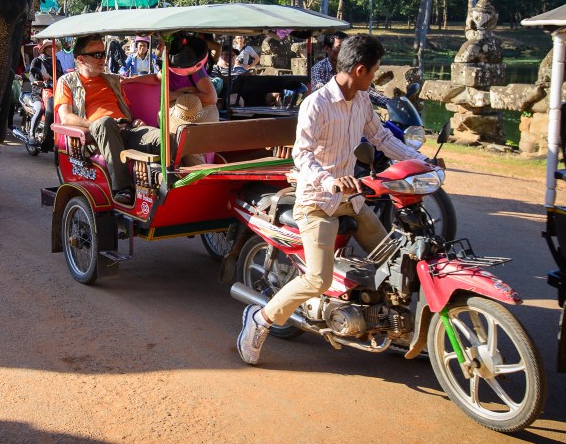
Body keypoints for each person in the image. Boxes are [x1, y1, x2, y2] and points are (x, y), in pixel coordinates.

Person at [236, 34, 429, 365]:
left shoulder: (363, 100)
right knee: (317, 278)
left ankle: (392, 326)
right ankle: (260, 320)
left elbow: (381, 138)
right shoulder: (317, 104)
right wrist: (330, 180)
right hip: (316, 203)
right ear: (359, 70)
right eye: (374, 71)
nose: (374, 77)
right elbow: (303, 154)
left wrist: (419, 162)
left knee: (395, 263)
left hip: (351, 200)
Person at [54, 34, 162, 206]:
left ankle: (172, 181)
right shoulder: (67, 81)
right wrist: (94, 125)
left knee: (164, 138)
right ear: (80, 59)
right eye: (97, 55)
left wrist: (134, 122)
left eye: (104, 54)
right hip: (95, 135)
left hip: (125, 129)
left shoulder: (112, 80)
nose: (103, 58)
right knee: (106, 123)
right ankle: (122, 188)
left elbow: (125, 111)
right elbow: (65, 117)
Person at [125, 33, 218, 108]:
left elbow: (211, 97)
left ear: (170, 47)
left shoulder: (193, 68)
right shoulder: (168, 64)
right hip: (176, 113)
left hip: (194, 117)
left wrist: (177, 95)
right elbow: (157, 78)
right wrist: (131, 79)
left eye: (160, 44)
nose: (157, 48)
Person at [311, 31, 389, 107]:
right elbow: (321, 90)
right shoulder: (319, 69)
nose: (343, 51)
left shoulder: (351, 67)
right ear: (327, 49)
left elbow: (367, 91)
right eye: (339, 46)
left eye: (345, 47)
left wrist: (390, 104)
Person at [27, 40, 64, 141]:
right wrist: (36, 81)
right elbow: (31, 73)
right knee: (40, 109)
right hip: (38, 92)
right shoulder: (37, 60)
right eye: (50, 47)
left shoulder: (57, 61)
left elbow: (62, 76)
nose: (52, 49)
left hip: (55, 91)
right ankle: (31, 134)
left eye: (54, 47)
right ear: (44, 49)